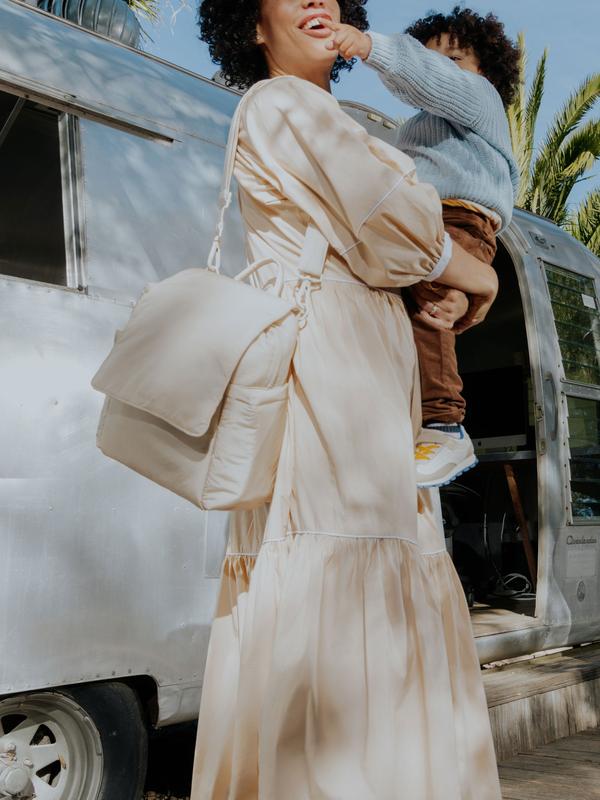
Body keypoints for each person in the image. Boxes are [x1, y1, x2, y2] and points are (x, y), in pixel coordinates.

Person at [191, 1, 501, 798]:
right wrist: (479, 275)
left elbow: (398, 239)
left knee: (372, 564)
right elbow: (393, 225)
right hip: (330, 366)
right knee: (345, 565)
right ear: (251, 26)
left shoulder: (335, 117)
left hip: (365, 368)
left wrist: (446, 279)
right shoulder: (282, 103)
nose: (317, 0)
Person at [320, 7, 520, 488]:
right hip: (426, 215)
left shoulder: (480, 98)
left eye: (454, 58)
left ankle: (446, 423)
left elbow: (431, 79)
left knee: (429, 304)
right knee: (419, 307)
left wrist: (370, 46)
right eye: (434, 57)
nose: (441, 67)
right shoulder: (418, 127)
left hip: (461, 216)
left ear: (485, 70)